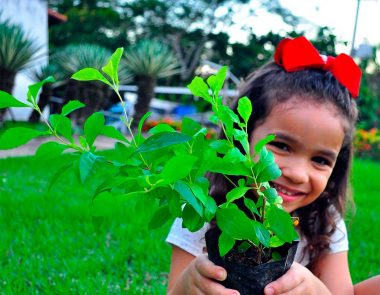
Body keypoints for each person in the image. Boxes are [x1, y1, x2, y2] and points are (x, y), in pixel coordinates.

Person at [166, 36, 363, 295]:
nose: (297, 173)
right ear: (243, 137)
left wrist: (317, 290)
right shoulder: (203, 206)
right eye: (281, 146)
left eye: (320, 160)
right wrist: (186, 285)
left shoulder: (325, 220)